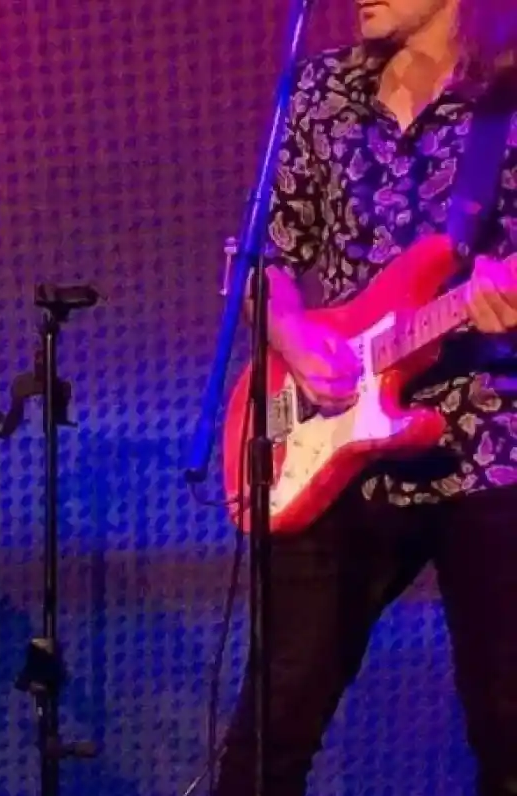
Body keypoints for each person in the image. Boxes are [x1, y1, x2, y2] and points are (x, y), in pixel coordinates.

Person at [223, 1, 517, 793]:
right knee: (266, 738)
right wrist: (289, 332)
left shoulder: (510, 96)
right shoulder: (321, 92)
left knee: (509, 728)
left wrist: (493, 297)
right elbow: (265, 257)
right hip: (331, 438)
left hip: (490, 443)